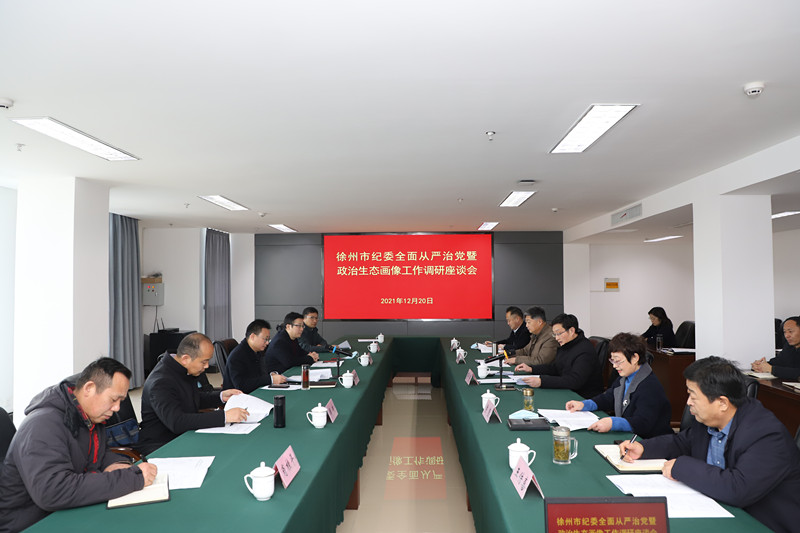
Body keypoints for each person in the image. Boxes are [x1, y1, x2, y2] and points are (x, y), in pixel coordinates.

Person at [620, 356, 800, 533]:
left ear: (722, 403)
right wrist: (644, 448)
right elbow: (681, 442)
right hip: (718, 512)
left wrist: (681, 467)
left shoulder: (766, 435)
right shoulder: (709, 420)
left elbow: (737, 489)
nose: (688, 402)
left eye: (692, 396)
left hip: (763, 524)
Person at [0, 358, 158, 533]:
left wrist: (113, 464)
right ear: (89, 388)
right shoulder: (42, 426)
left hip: (68, 511)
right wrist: (132, 478)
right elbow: (53, 491)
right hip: (32, 523)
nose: (117, 408)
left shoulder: (90, 415)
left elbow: (100, 452)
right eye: (114, 399)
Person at [137, 333, 248, 455]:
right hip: (163, 444)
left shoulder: (182, 368)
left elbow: (190, 398)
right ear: (186, 359)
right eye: (204, 362)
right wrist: (224, 416)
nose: (206, 366)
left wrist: (220, 396)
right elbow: (177, 422)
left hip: (183, 435)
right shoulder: (160, 382)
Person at [565, 332, 672, 438]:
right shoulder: (624, 378)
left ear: (635, 358)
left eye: (618, 361)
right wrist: (584, 405)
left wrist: (613, 423)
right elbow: (609, 398)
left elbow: (642, 423)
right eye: (613, 360)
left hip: (652, 441)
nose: (615, 366)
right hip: (631, 437)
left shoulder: (650, 387)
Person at [519, 313, 603, 398]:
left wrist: (542, 381)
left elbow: (575, 381)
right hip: (568, 391)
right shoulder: (566, 345)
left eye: (559, 333)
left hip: (583, 397)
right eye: (554, 334)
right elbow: (556, 368)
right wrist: (532, 369)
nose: (556, 338)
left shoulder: (584, 350)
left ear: (571, 331)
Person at [223, 319, 287, 393]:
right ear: (252, 337)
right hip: (240, 397)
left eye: (268, 339)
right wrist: (270, 379)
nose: (267, 343)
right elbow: (241, 386)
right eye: (265, 339)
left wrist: (271, 375)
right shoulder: (237, 356)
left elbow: (259, 375)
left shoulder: (256, 351)